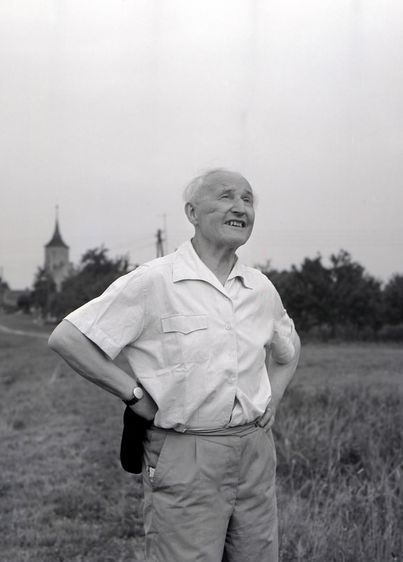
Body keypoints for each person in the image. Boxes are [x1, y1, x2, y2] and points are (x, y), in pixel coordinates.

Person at [48, 168, 301, 562]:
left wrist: (276, 394)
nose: (240, 207)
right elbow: (68, 338)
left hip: (255, 452)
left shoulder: (260, 288)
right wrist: (133, 395)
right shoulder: (154, 281)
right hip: (186, 452)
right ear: (192, 213)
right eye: (226, 196)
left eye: (248, 199)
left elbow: (289, 348)